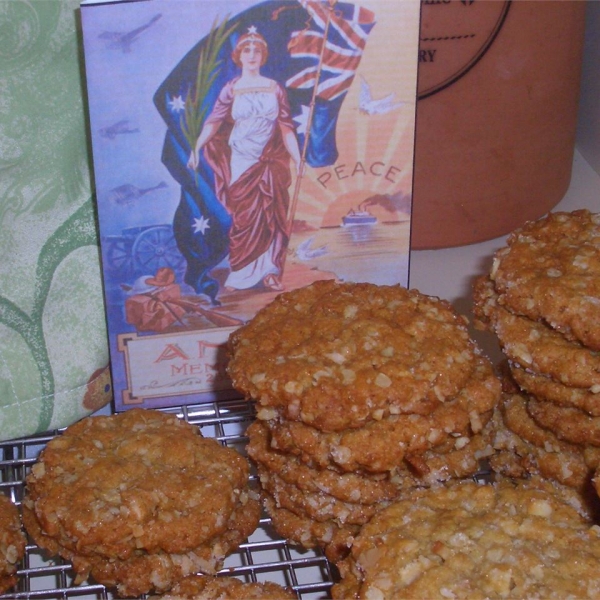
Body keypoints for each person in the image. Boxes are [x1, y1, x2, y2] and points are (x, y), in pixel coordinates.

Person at [187, 27, 302, 292]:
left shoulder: (275, 89)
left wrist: (297, 158)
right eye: (247, 50)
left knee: (271, 213)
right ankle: (242, 270)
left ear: (264, 55)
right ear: (239, 56)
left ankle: (271, 270)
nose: (252, 55)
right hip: (241, 159)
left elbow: (286, 128)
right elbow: (213, 123)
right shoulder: (232, 89)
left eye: (257, 50)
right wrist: (196, 149)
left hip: (270, 160)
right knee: (246, 215)